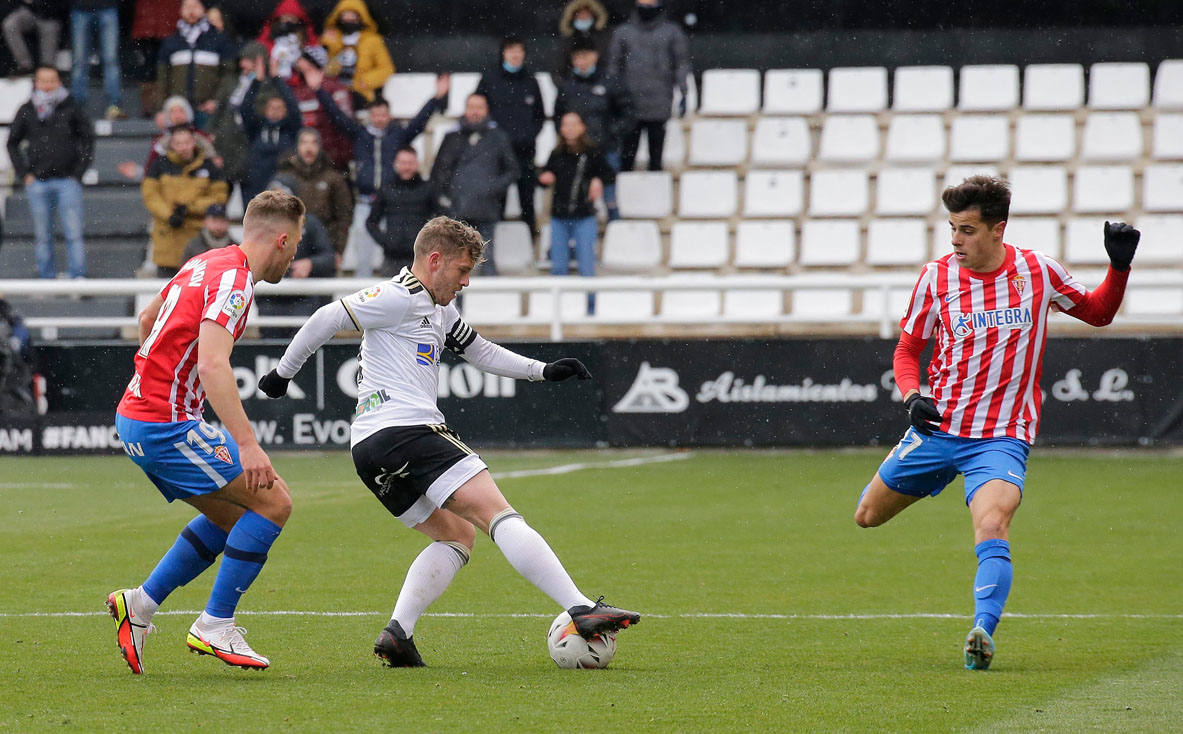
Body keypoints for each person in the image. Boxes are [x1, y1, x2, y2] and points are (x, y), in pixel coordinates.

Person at [256, 215, 641, 667]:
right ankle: (581, 607)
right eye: (462, 271)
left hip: (370, 450)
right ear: (434, 261)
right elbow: (327, 316)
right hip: (408, 431)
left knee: (457, 536)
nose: (466, 282)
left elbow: (479, 350)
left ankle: (398, 633)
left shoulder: (438, 308)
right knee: (497, 513)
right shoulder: (399, 296)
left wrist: (543, 370)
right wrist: (282, 374)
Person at [853, 175, 1140, 671]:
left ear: (997, 229)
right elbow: (907, 349)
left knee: (992, 523)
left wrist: (1119, 267)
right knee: (867, 516)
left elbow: (1097, 314)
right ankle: (941, 474)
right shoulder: (935, 278)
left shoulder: (1037, 271)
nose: (955, 240)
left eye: (966, 229)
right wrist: (912, 395)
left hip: (1002, 436)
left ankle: (982, 631)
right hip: (938, 429)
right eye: (952, 228)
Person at [108, 189, 305, 675]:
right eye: (297, 244)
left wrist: (158, 381)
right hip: (163, 425)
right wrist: (247, 444)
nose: (296, 253)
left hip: (137, 415)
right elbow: (213, 363)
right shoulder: (236, 283)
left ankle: (141, 605)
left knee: (232, 516)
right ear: (282, 239)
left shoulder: (207, 260)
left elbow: (147, 317)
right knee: (274, 502)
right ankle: (215, 624)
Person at [308, 63, 447, 278]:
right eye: (376, 114)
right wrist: (319, 91)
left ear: (389, 115)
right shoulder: (360, 134)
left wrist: (436, 98)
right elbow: (337, 117)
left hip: (392, 203)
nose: (380, 119)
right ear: (370, 115)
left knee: (398, 256)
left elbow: (419, 122)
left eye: (384, 114)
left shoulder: (398, 135)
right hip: (365, 202)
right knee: (363, 257)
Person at [6, 65, 94, 280]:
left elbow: (88, 138)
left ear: (58, 82)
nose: (47, 86)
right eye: (43, 81)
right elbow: (12, 143)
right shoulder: (27, 109)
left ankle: (78, 277)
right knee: (43, 236)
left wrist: (78, 172)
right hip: (38, 182)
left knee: (73, 233)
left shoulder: (71, 107)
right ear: (36, 83)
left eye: (51, 81)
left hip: (67, 181)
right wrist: (24, 173)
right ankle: (46, 278)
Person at [429, 93, 517, 274]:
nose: (475, 112)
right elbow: (439, 171)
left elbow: (513, 171)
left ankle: (492, 302)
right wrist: (447, 197)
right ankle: (455, 302)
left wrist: (492, 188)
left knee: (487, 259)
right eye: (471, 107)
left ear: (487, 110)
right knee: (454, 264)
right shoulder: (452, 137)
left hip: (487, 209)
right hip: (457, 211)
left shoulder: (498, 137)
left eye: (480, 107)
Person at [538, 111, 612, 314]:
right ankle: (558, 311)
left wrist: (598, 180)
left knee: (587, 266)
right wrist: (545, 177)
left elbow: (608, 173)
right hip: (559, 217)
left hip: (584, 216)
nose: (569, 128)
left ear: (582, 127)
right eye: (565, 124)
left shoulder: (592, 152)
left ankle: (591, 309)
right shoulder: (557, 153)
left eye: (573, 124)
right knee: (558, 267)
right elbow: (544, 176)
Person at [553, 38, 633, 221]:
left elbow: (628, 114)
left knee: (610, 198)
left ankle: (616, 237)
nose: (581, 62)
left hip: (606, 150)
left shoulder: (610, 82)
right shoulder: (567, 87)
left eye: (585, 56)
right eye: (577, 58)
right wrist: (569, 139)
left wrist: (610, 132)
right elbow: (559, 117)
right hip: (576, 154)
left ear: (595, 56)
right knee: (577, 199)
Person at [607, 0, 689, 171]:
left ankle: (657, 194)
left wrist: (683, 91)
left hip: (659, 103)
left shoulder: (672, 32)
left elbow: (681, 63)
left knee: (656, 158)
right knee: (627, 157)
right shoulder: (623, 32)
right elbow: (614, 66)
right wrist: (613, 95)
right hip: (630, 104)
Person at [476, 36, 545, 235]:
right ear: (503, 53)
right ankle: (493, 246)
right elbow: (479, 111)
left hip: (525, 150)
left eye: (519, 51)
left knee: (527, 197)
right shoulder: (489, 79)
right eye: (511, 50)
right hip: (497, 153)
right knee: (498, 199)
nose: (515, 55)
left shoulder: (531, 81)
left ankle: (530, 241)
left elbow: (539, 115)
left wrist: (529, 134)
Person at [141, 125, 229, 278]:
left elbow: (219, 197)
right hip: (167, 240)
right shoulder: (159, 165)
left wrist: (190, 208)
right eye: (178, 143)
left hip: (198, 244)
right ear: (172, 145)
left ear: (194, 142)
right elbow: (150, 196)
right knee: (168, 293)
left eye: (187, 142)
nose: (183, 148)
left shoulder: (209, 167)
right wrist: (170, 215)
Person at [276, 127, 353, 260]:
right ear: (297, 146)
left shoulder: (333, 178)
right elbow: (274, 215)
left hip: (325, 246)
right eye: (304, 143)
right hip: (291, 246)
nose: (309, 148)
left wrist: (339, 251)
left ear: (320, 147)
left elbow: (344, 216)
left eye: (313, 143)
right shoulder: (284, 177)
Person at [156, 0, 236, 127]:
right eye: (186, 6)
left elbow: (228, 75)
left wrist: (217, 101)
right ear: (180, 10)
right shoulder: (171, 42)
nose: (191, 10)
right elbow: (162, 79)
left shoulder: (219, 39)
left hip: (208, 109)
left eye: (195, 6)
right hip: (178, 110)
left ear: (204, 9)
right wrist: (161, 109)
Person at [239, 58, 302, 203]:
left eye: (279, 108)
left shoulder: (291, 130)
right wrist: (257, 82)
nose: (275, 111)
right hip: (256, 187)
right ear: (265, 110)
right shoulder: (256, 129)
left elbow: (294, 108)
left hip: (283, 189)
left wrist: (276, 79)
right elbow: (245, 109)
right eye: (271, 108)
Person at [287, 44, 355, 172]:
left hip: (333, 158)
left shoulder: (335, 88)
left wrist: (340, 155)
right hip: (306, 159)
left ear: (312, 62)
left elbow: (346, 123)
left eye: (303, 57)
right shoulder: (298, 90)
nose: (298, 61)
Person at [366, 146, 431, 276]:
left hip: (420, 258)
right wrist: (386, 242)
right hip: (392, 259)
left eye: (410, 163)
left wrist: (429, 243)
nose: (406, 167)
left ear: (417, 164)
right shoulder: (386, 189)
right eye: (403, 163)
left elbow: (441, 219)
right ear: (396, 164)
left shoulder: (428, 188)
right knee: (389, 295)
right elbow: (371, 222)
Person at [320, 0, 394, 106]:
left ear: (361, 16)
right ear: (338, 16)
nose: (349, 18)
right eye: (345, 14)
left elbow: (386, 68)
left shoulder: (372, 40)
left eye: (353, 15)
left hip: (360, 94)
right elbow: (323, 64)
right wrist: (329, 41)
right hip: (334, 92)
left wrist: (366, 81)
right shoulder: (332, 38)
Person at [69, 0, 125, 120]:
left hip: (108, 7)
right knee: (79, 61)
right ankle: (76, 108)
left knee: (111, 59)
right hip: (80, 9)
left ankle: (114, 105)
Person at [257, 0, 317, 81]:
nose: (289, 21)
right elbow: (261, 46)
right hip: (272, 72)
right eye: (285, 17)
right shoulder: (271, 31)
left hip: (298, 76)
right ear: (279, 18)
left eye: (292, 18)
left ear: (298, 19)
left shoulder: (304, 33)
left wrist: (300, 60)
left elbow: (313, 50)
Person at [2, 0, 64, 76]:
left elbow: (60, 5)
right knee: (10, 25)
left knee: (50, 28)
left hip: (49, 14)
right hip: (28, 11)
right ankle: (25, 66)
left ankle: (47, 67)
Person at [555, 0, 609, 75]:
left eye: (587, 14)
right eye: (579, 14)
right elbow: (559, 64)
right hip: (572, 80)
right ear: (573, 17)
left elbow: (608, 61)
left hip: (600, 79)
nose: (583, 17)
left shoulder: (603, 36)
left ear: (593, 15)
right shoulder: (567, 38)